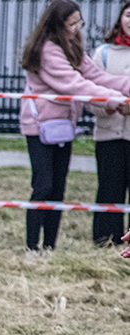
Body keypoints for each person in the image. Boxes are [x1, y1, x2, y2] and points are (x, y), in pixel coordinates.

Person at [20, 0, 130, 252]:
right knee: (43, 186)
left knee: (58, 187)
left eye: (78, 22)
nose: (76, 28)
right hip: (40, 127)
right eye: (71, 24)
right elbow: (75, 85)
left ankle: (49, 246)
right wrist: (114, 99)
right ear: (57, 25)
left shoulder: (71, 46)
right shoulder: (48, 50)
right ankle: (31, 248)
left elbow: (97, 77)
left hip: (63, 126)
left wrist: (126, 87)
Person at [89, 2, 130, 246]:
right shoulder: (102, 53)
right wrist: (109, 106)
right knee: (109, 189)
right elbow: (89, 94)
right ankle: (105, 241)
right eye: (128, 14)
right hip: (109, 134)